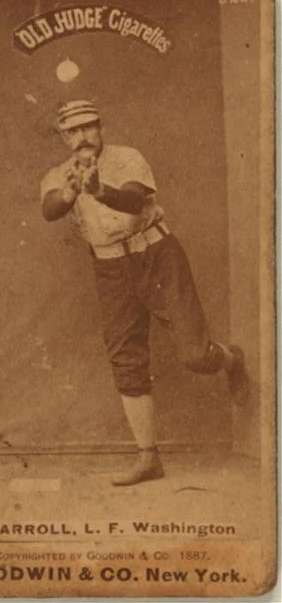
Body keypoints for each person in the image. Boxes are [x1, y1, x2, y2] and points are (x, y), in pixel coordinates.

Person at [40, 99, 248, 486]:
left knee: (194, 354)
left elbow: (134, 198)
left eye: (89, 127)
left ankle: (228, 359)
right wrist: (70, 195)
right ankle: (148, 458)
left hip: (155, 255)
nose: (83, 136)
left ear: (101, 127)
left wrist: (100, 191)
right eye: (73, 131)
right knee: (125, 358)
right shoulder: (59, 174)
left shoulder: (126, 158)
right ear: (65, 137)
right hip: (110, 268)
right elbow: (49, 209)